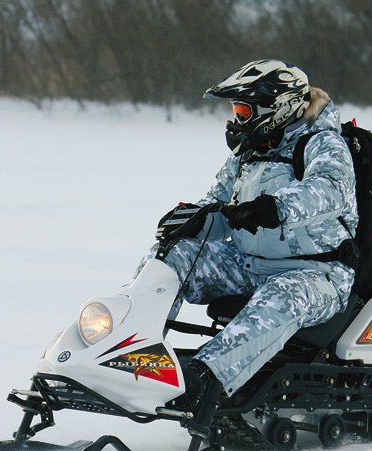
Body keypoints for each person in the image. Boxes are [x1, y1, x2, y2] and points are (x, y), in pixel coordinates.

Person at [142, 59, 358, 404]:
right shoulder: (249, 153)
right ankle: (134, 348)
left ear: (278, 108)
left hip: (315, 273)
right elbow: (221, 208)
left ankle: (202, 382)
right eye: (236, 110)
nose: (236, 120)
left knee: (281, 298)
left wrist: (272, 208)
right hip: (248, 265)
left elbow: (331, 191)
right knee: (173, 253)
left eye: (243, 110)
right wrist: (194, 220)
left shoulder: (323, 144)